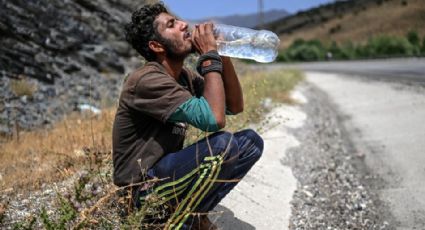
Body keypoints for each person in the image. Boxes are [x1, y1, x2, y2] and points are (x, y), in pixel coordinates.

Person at [112, 3, 264, 229]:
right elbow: (214, 120)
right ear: (156, 45)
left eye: (178, 20)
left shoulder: (185, 77)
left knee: (250, 142)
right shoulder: (147, 80)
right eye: (171, 24)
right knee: (222, 145)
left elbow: (234, 106)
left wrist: (222, 53)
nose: (184, 24)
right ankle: (180, 220)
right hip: (142, 191)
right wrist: (209, 56)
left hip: (166, 175)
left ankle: (192, 215)